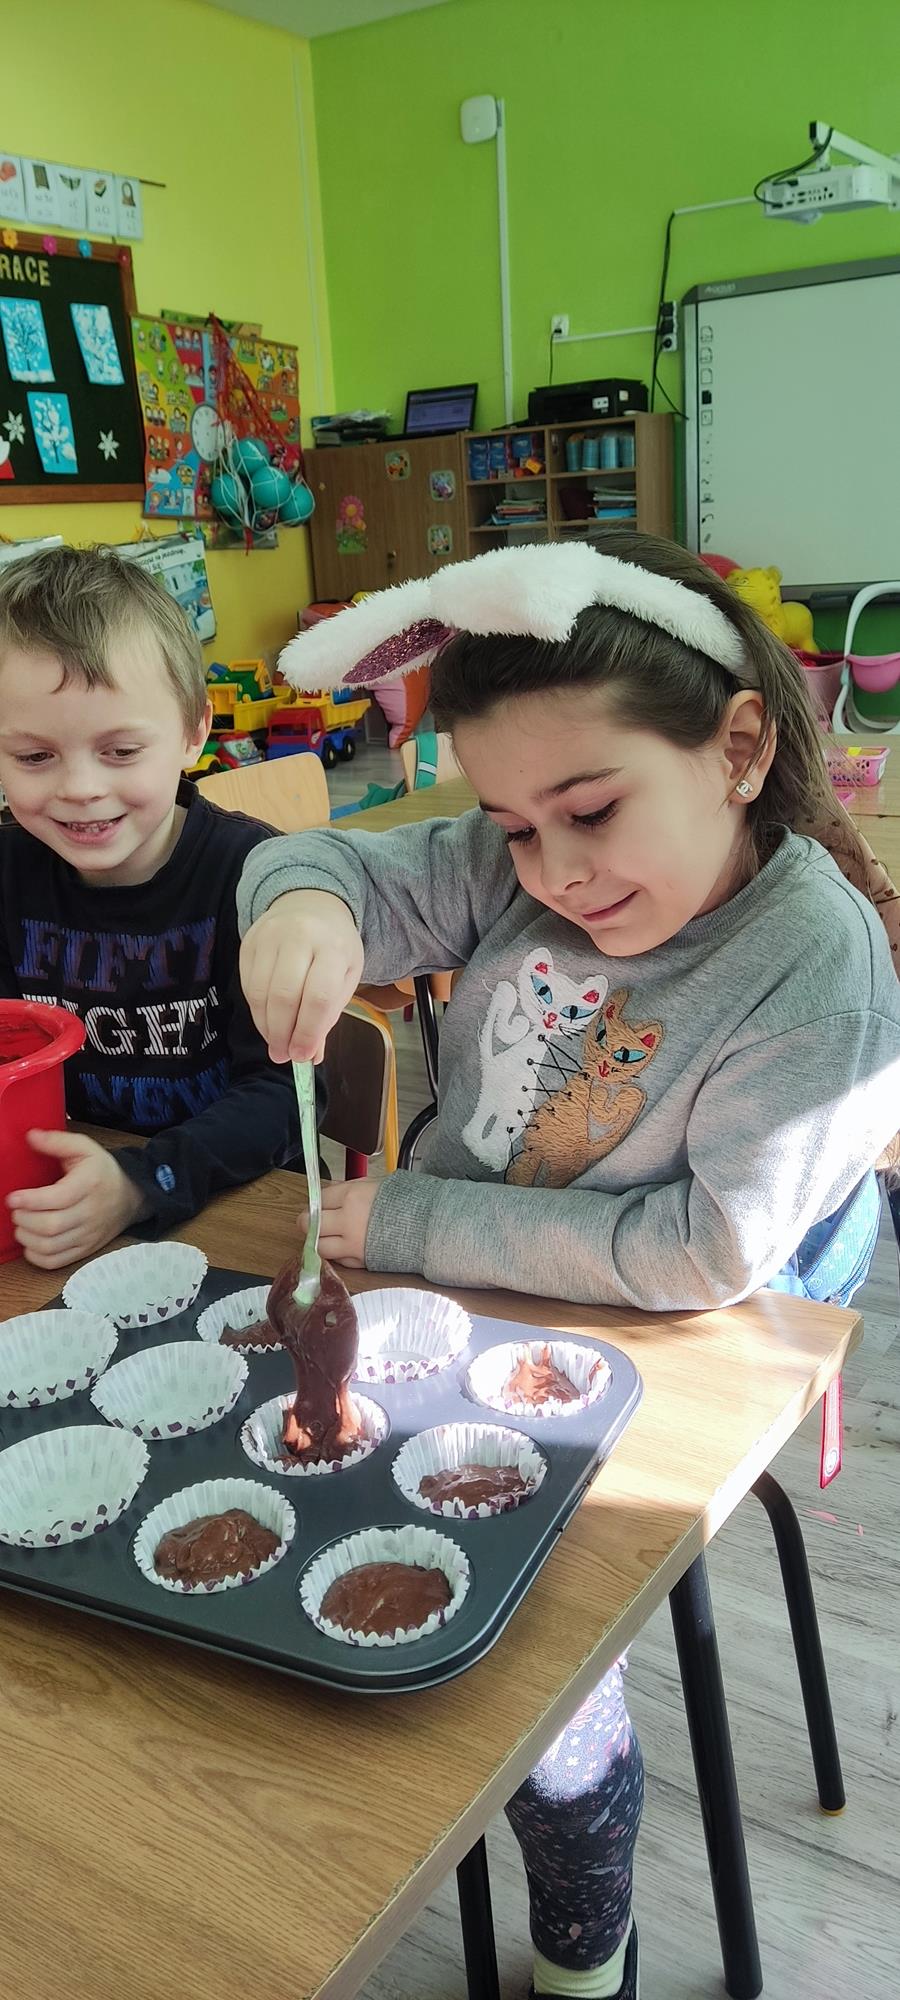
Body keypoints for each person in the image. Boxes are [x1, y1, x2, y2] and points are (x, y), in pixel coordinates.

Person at [235, 534, 900, 2000]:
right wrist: (305, 904)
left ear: (738, 750)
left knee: (541, 1666)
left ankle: (588, 1947)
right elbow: (317, 855)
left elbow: (704, 1252)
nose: (554, 871)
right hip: (473, 1289)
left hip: (673, 1335)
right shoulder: (522, 857)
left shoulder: (813, 967)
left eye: (591, 812)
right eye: (513, 827)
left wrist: (414, 1222)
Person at [0, 544, 299, 1270]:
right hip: (62, 1205)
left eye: (121, 751)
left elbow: (286, 1096)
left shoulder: (252, 875)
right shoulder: (8, 871)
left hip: (235, 1207)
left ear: (195, 732)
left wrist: (143, 1182)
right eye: (34, 757)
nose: (79, 788)